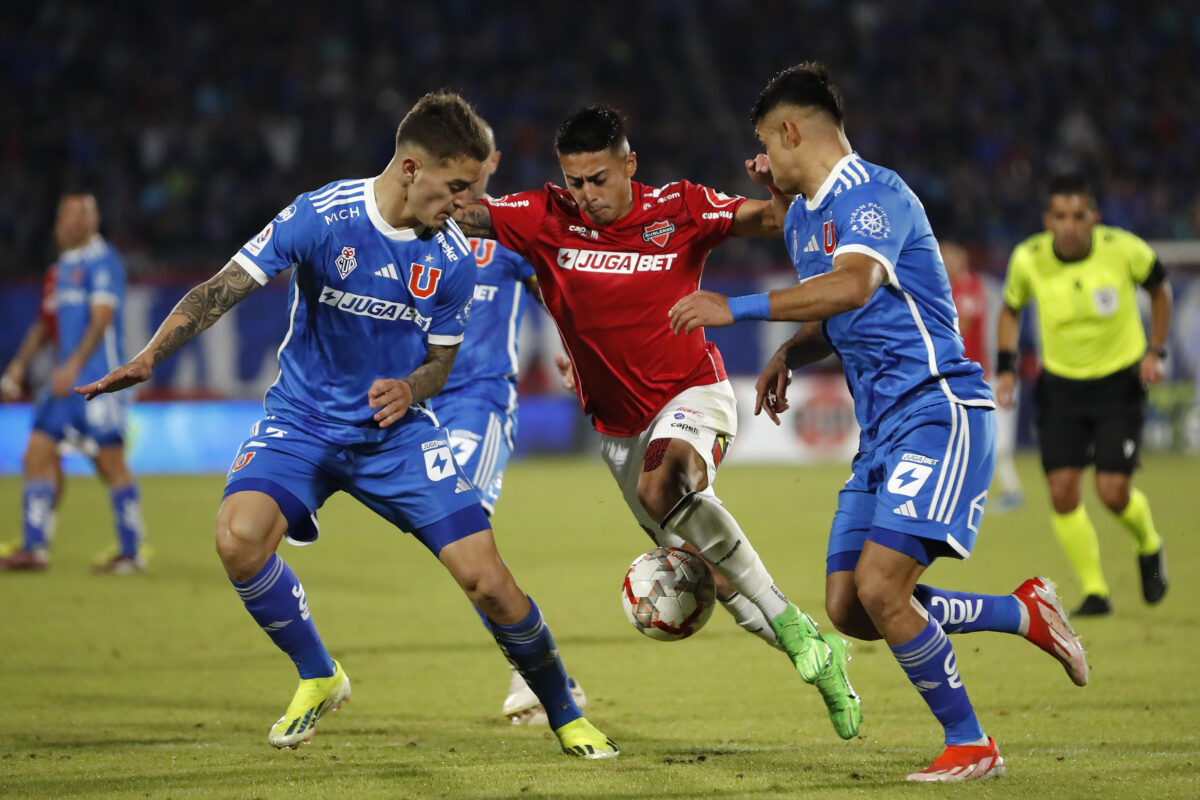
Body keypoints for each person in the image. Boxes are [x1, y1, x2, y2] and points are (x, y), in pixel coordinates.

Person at [75, 92, 618, 759]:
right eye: (456, 188)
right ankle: (319, 675)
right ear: (412, 168)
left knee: (487, 580)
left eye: (473, 190)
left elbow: (442, 364)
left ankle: (564, 712)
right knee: (238, 539)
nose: (464, 206)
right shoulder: (321, 217)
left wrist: (410, 386)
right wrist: (149, 357)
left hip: (394, 434)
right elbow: (218, 291)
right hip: (303, 422)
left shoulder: (450, 256)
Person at [668, 62, 1089, 782]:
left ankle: (972, 744)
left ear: (791, 130)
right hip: (882, 434)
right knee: (849, 606)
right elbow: (837, 313)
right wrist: (790, 356)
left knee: (884, 587)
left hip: (939, 410)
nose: (764, 160)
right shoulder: (802, 217)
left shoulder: (875, 194)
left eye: (768, 142)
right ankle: (1024, 613)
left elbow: (855, 282)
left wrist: (735, 310)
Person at [453, 104, 862, 740]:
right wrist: (423, 186)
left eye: (599, 179)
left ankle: (790, 620)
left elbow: (778, 219)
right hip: (617, 432)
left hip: (694, 393)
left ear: (629, 165)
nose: (587, 196)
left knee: (662, 485)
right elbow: (464, 214)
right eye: (575, 182)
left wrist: (776, 186)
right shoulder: (543, 216)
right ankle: (821, 659)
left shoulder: (679, 208)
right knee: (716, 580)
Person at [428, 123, 587, 726]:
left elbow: (560, 289)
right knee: (457, 547)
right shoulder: (418, 230)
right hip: (420, 407)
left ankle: (537, 677)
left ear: (491, 161)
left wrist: (573, 343)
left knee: (460, 529)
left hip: (480, 400)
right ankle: (549, 673)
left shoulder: (508, 231)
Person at [996, 174, 1171, 616]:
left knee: (1112, 491)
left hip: (1119, 384)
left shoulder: (1124, 249)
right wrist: (1006, 369)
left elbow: (1160, 290)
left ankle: (1149, 543)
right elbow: (1011, 310)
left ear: (1094, 217)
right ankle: (1096, 592)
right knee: (1062, 492)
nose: (1070, 225)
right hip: (1061, 387)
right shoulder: (1028, 258)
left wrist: (1156, 350)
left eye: (1079, 216)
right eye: (1060, 216)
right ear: (1047, 220)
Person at [1, 194, 147, 574]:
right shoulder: (62, 267)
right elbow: (44, 324)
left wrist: (75, 365)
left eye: (79, 216)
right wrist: (18, 366)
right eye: (65, 216)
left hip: (100, 381)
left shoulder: (104, 262)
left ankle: (131, 554)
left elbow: (100, 320)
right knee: (37, 454)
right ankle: (34, 548)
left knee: (110, 463)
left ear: (90, 222)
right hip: (65, 385)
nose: (69, 224)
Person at [941, 242, 1024, 511]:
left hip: (985, 376)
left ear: (961, 259)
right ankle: (964, 493)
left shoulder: (970, 285)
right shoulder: (947, 287)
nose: (942, 261)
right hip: (960, 377)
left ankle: (1011, 491)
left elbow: (961, 327)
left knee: (995, 440)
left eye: (946, 256)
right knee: (961, 439)